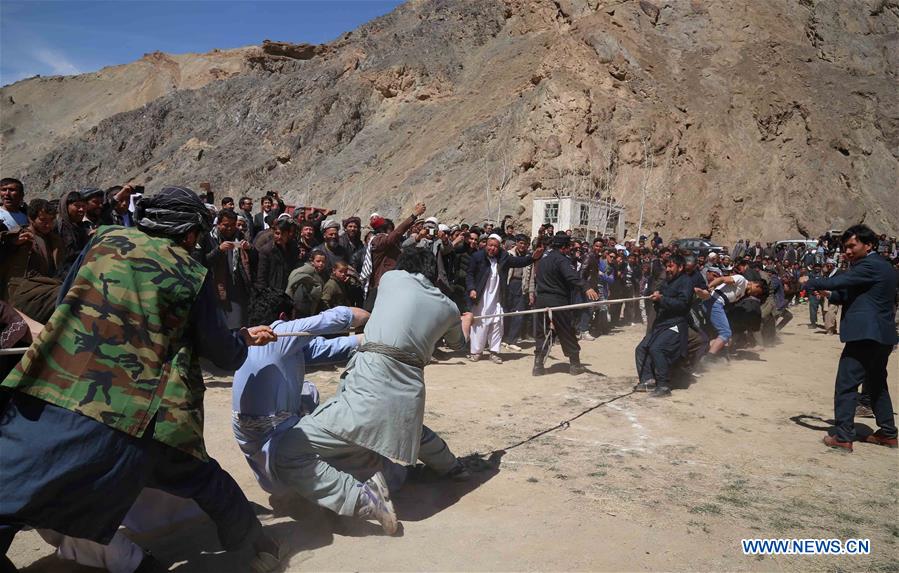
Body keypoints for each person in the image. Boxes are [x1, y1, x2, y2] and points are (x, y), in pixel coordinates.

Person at [0, 186, 283, 572]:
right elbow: (220, 350)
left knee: (13, 484)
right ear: (189, 234)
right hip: (136, 412)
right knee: (197, 474)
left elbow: (69, 296)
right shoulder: (190, 272)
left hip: (57, 390)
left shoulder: (104, 238)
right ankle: (258, 548)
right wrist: (242, 339)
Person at [270, 247, 473, 534]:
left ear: (404, 266)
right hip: (407, 394)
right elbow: (459, 347)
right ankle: (453, 468)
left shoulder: (390, 279)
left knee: (289, 451)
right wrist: (465, 322)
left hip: (367, 388)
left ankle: (362, 498)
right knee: (405, 424)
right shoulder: (450, 308)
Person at [232, 288, 365, 497]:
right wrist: (379, 319)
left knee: (307, 392)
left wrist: (364, 340)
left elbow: (326, 348)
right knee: (324, 410)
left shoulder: (247, 340)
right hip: (275, 436)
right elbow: (343, 317)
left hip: (254, 447)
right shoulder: (279, 332)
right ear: (284, 317)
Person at [800, 225, 898, 452]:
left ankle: (843, 437)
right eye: (845, 247)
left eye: (852, 246)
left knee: (846, 384)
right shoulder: (882, 267)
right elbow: (851, 295)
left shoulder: (869, 265)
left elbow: (838, 282)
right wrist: (829, 294)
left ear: (869, 245)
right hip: (881, 336)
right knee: (876, 385)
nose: (848, 251)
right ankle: (888, 433)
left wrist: (810, 282)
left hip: (866, 334)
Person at [532, 232, 599, 376]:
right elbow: (571, 276)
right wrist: (586, 287)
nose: (570, 250)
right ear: (564, 247)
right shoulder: (562, 260)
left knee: (542, 332)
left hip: (541, 300)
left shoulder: (543, 260)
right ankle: (575, 364)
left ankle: (538, 365)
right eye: (569, 247)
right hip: (557, 300)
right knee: (566, 331)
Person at [466, 234, 539, 363]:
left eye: (495, 246)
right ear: (486, 245)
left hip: (497, 298)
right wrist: (472, 288)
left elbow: (518, 262)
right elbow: (470, 274)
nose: (492, 249)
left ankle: (494, 352)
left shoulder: (504, 257)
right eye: (490, 246)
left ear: (499, 247)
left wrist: (532, 258)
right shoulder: (477, 257)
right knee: (480, 324)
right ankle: (476, 352)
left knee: (497, 324)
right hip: (481, 298)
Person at [633, 253, 693, 397]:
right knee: (641, 348)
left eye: (671, 266)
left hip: (676, 324)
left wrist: (662, 299)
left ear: (680, 267)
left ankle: (664, 385)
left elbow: (683, 305)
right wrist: (655, 296)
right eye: (666, 266)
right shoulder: (667, 281)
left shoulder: (686, 282)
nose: (667, 269)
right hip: (662, 323)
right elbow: (659, 298)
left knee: (657, 348)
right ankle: (648, 379)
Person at [200, 208, 256, 329]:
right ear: (218, 224)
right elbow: (203, 262)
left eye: (232, 225)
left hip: (236, 289)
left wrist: (249, 249)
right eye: (226, 225)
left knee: (237, 327)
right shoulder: (209, 239)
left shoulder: (240, 236)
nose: (230, 228)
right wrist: (219, 250)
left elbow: (254, 259)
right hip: (215, 288)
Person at [366, 202, 426, 310]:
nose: (392, 232)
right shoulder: (378, 241)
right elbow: (396, 234)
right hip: (382, 285)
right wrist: (414, 215)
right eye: (390, 230)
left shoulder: (389, 243)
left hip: (392, 284)